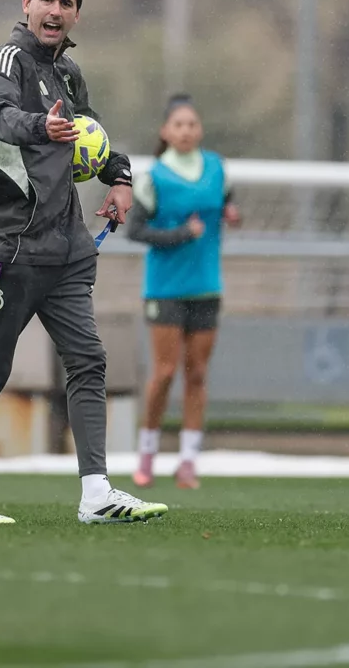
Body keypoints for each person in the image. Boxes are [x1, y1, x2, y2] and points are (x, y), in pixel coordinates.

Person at [0, 0, 168, 525]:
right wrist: (40, 127)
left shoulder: (69, 75)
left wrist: (119, 178)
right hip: (8, 249)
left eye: (66, 3)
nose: (55, 11)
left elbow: (95, 131)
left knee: (88, 359)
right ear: (26, 4)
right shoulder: (6, 62)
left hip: (65, 251)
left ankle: (96, 493)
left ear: (75, 14)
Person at [128, 94, 240, 490]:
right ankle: (146, 455)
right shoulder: (153, 177)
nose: (186, 131)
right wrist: (181, 234)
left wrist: (230, 214)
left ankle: (189, 461)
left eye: (192, 124)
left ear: (200, 129)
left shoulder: (216, 168)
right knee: (164, 372)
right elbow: (135, 230)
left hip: (206, 286)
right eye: (178, 124)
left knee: (198, 374)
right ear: (165, 131)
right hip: (165, 289)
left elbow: (225, 204)